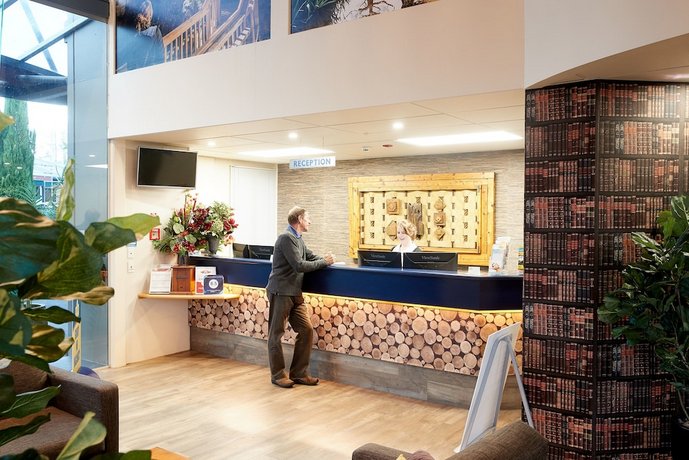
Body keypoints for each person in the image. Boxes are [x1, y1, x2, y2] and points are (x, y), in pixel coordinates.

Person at [266, 206, 335, 388]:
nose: (310, 221)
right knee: (276, 334)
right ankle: (278, 375)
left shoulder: (298, 239)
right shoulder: (286, 238)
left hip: (295, 293)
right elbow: (299, 265)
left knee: (306, 330)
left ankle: (299, 373)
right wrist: (324, 262)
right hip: (281, 291)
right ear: (299, 219)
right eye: (307, 217)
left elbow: (310, 257)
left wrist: (326, 261)